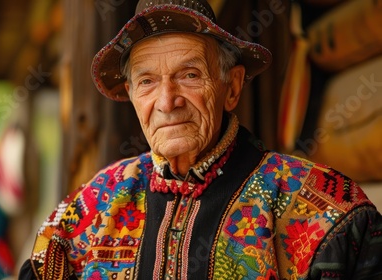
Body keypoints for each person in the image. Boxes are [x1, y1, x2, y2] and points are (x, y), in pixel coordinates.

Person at [19, 0, 382, 279]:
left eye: (189, 75)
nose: (167, 101)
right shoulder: (91, 211)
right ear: (131, 95)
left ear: (233, 87)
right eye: (147, 82)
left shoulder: (328, 210)